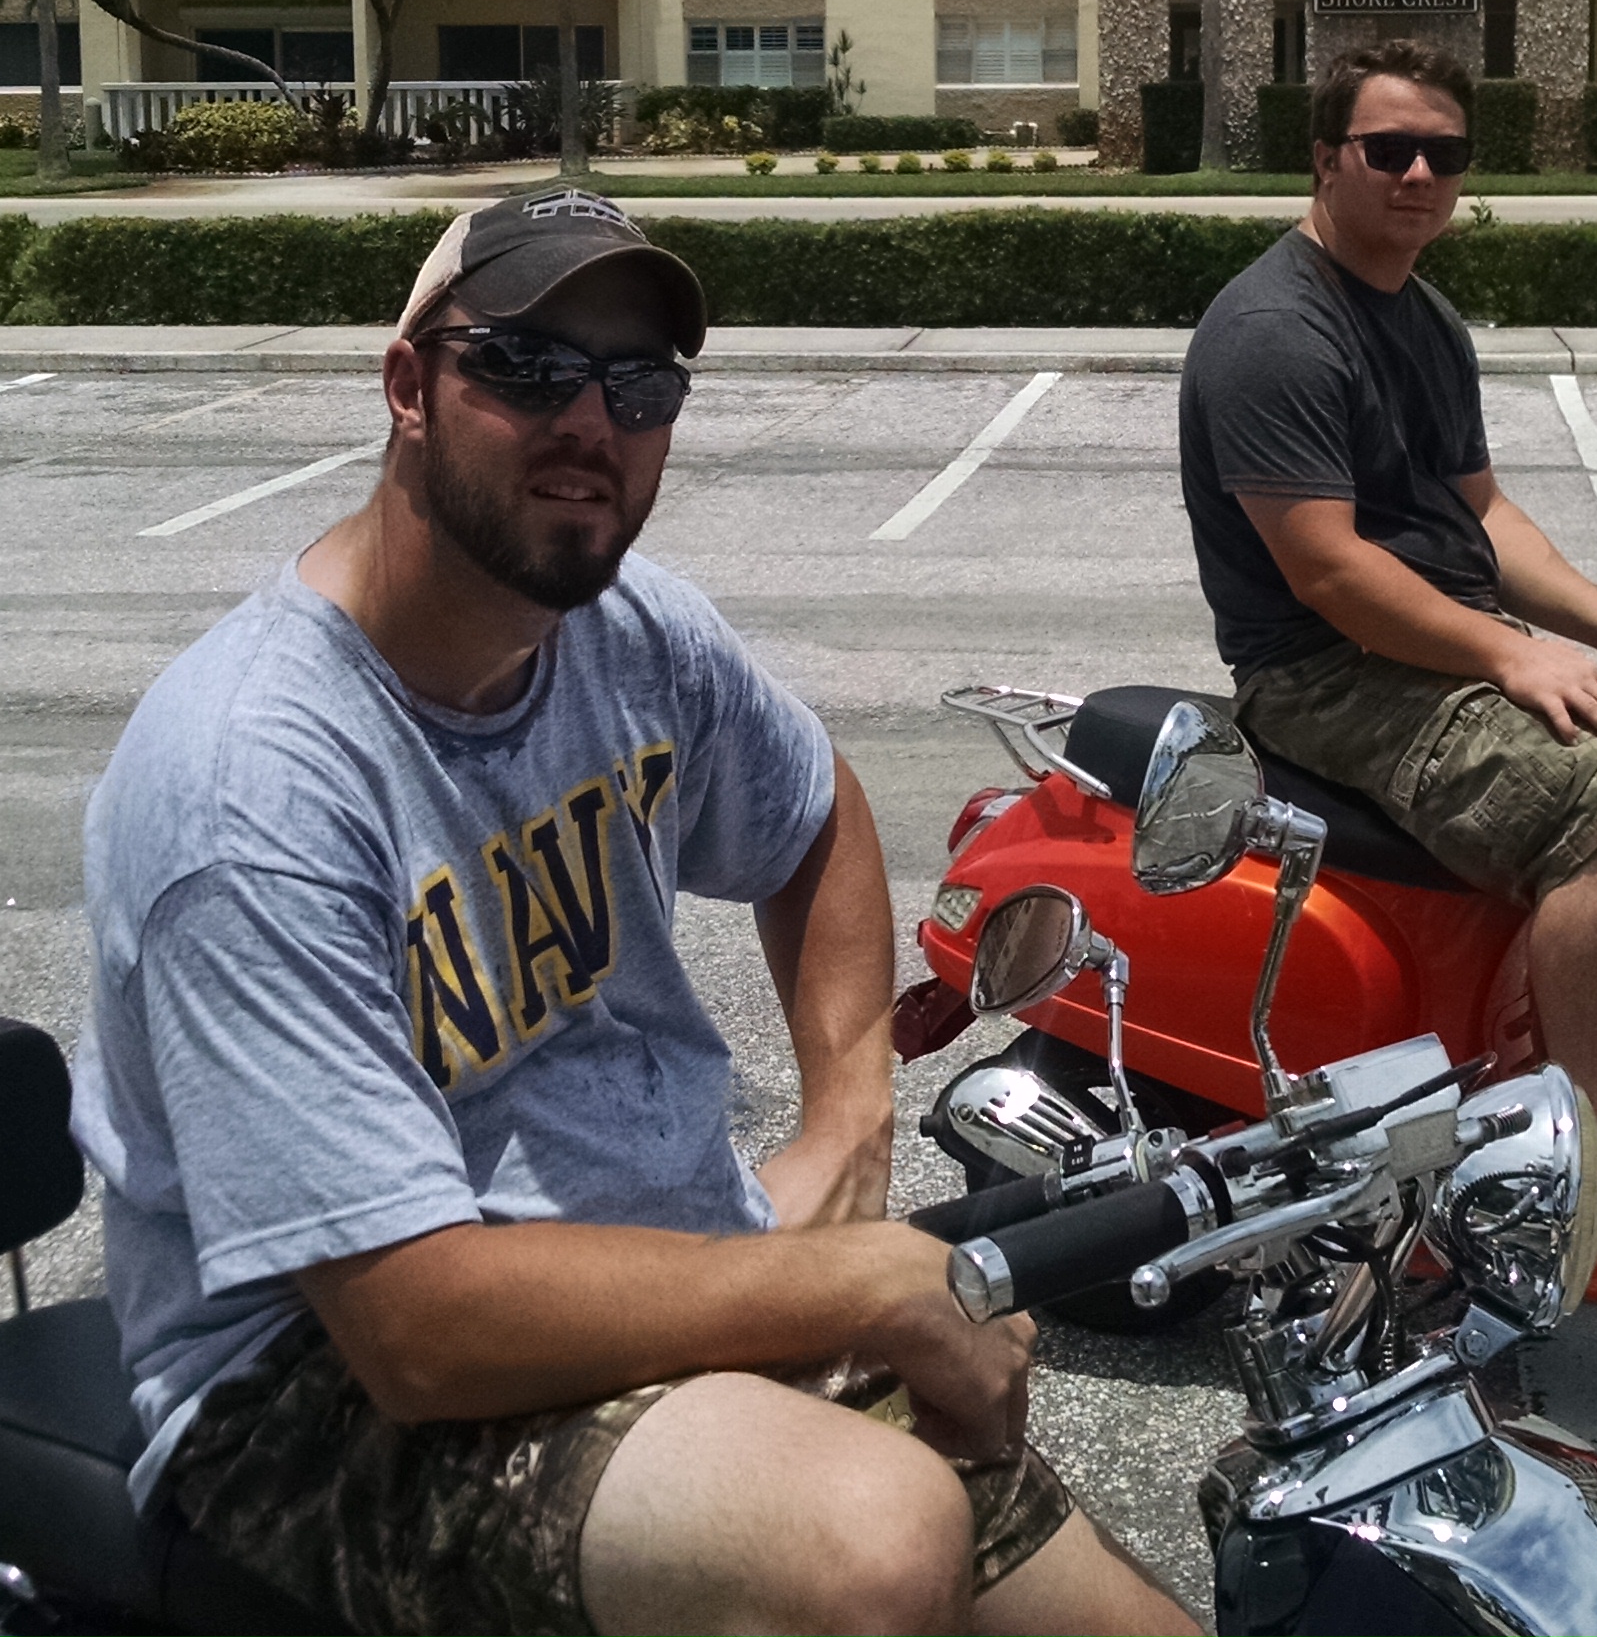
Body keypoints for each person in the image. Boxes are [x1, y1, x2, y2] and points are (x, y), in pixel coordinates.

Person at [71, 185, 1192, 1637]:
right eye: (528, 367)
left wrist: (849, 1125)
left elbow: (818, 815)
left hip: (664, 1266)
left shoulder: (633, 635)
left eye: (639, 386)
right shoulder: (254, 787)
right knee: (870, 1542)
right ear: (409, 387)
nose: (590, 422)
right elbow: (418, 1327)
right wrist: (859, 1283)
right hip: (312, 1385)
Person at [1176, 41, 1597, 1275]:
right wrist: (1507, 656)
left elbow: (1479, 514)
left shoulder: (1422, 318)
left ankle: (1512, 1091)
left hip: (1420, 647)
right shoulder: (1276, 331)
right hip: (1323, 673)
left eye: (1444, 153)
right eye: (1388, 149)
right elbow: (1328, 571)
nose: (1419, 174)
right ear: (1324, 158)